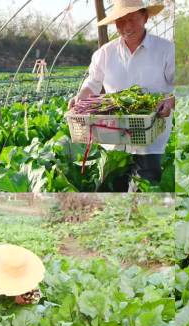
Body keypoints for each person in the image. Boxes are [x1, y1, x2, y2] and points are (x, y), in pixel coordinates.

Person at [68, 0, 175, 191]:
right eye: (120, 21)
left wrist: (169, 102)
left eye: (132, 19)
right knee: (114, 197)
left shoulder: (166, 50)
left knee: (142, 196)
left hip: (150, 141)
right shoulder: (104, 53)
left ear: (145, 17)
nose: (126, 26)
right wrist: (80, 98)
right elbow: (92, 84)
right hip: (113, 141)